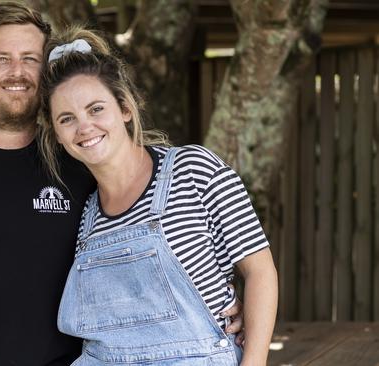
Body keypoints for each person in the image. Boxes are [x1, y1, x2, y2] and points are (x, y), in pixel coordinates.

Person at [0, 2, 244, 365]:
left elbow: (147, 246)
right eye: (0, 59)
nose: (17, 72)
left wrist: (212, 307)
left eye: (30, 59)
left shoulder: (80, 161)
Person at [38, 27, 277, 366]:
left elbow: (260, 271)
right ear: (58, 135)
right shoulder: (86, 214)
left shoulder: (194, 169)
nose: (84, 127)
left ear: (124, 108)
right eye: (67, 119)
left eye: (96, 109)